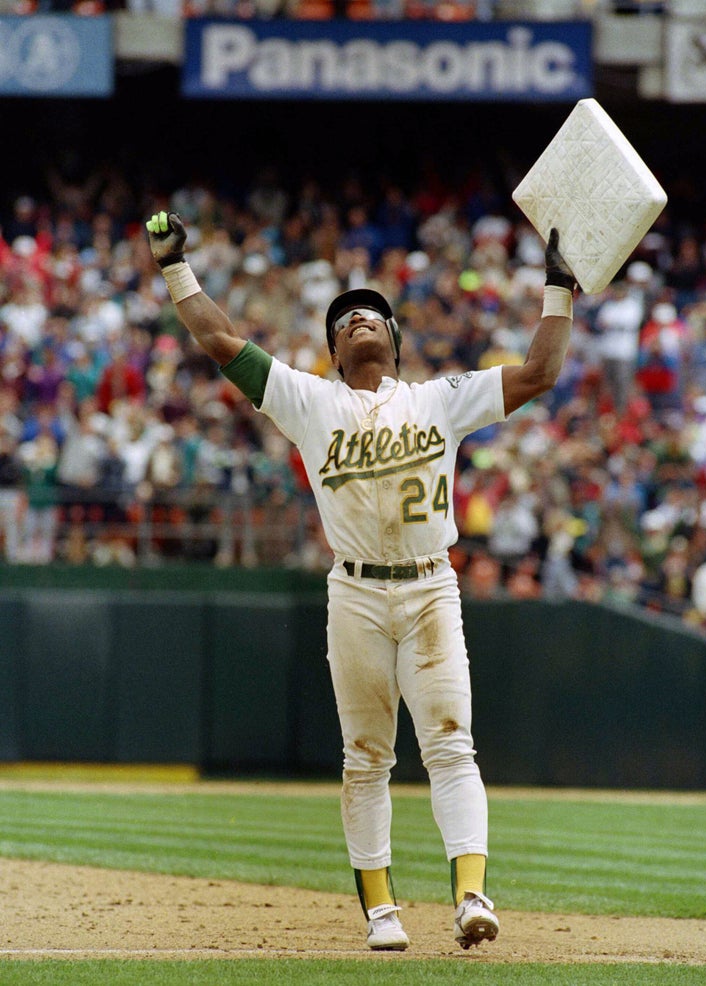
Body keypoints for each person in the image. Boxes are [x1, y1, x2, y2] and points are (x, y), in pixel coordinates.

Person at [145, 211, 576, 952]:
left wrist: (560, 287)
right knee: (366, 755)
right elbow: (220, 343)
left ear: (395, 340)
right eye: (344, 320)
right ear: (334, 353)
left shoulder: (438, 398)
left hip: (430, 585)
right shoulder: (310, 402)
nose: (359, 320)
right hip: (356, 593)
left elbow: (540, 372)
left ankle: (472, 894)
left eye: (373, 314)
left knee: (450, 744)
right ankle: (381, 911)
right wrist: (174, 267)